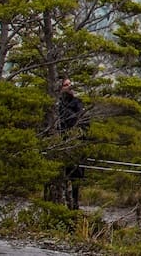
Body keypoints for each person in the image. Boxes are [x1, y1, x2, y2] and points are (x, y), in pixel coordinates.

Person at [55, 78, 86, 209]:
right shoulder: (56, 104)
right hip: (60, 144)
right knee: (59, 176)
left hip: (76, 144)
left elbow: (83, 121)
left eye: (70, 84)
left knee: (76, 176)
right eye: (66, 85)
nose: (69, 87)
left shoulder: (78, 103)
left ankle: (75, 203)